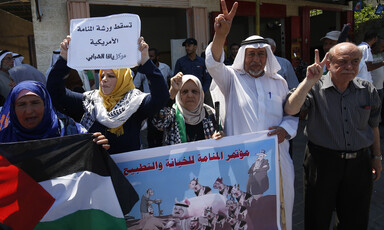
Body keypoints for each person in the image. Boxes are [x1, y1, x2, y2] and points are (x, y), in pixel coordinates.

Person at [205, 1, 298, 229]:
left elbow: (291, 113)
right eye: (251, 55)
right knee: (243, 214)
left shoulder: (279, 82)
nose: (256, 60)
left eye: (260, 55)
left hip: (275, 160)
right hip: (241, 162)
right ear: (243, 57)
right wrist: (221, 36)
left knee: (278, 211)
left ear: (267, 57)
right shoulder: (230, 79)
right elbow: (213, 63)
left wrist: (285, 130)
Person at [284, 42, 382, 229]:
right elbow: (290, 109)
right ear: (328, 64)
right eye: (343, 62)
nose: (350, 67)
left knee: (355, 218)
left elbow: (374, 126)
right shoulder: (314, 87)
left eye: (355, 61)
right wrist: (309, 81)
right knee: (317, 216)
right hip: (322, 163)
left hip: (359, 164)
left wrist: (377, 157)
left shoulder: (367, 90)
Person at [47, 36, 169, 154]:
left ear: (123, 79)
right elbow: (55, 93)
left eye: (111, 76)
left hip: (128, 171)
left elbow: (161, 97)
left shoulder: (136, 103)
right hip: (97, 171)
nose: (104, 80)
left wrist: (146, 61)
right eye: (102, 76)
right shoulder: (89, 101)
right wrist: (64, 59)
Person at [0, 80, 109, 150]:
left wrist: (97, 147)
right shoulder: (3, 140)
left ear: (46, 105)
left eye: (35, 103)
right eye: (21, 104)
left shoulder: (71, 131)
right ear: (13, 109)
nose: (29, 111)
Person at [152, 73, 223, 145]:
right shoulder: (172, 114)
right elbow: (158, 123)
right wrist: (172, 92)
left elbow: (220, 144)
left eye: (194, 91)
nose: (190, 95)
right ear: (179, 95)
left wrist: (218, 140)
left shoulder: (210, 114)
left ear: (201, 94)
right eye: (185, 91)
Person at [134, 48, 173, 148]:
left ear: (157, 57)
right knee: (150, 131)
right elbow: (135, 84)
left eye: (152, 56)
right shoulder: (144, 70)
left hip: (162, 103)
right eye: (149, 56)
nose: (150, 59)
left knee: (161, 130)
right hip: (149, 103)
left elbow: (171, 78)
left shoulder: (165, 68)